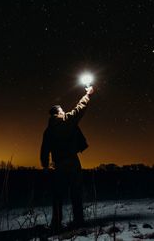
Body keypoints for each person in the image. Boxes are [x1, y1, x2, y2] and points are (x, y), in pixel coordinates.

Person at [40, 86, 94, 231]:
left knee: (57, 195)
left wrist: (45, 165)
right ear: (58, 112)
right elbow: (79, 110)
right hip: (72, 162)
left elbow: (44, 149)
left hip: (58, 165)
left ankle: (56, 223)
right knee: (76, 192)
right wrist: (87, 95)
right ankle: (78, 221)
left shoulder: (48, 130)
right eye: (62, 110)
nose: (63, 111)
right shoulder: (66, 120)